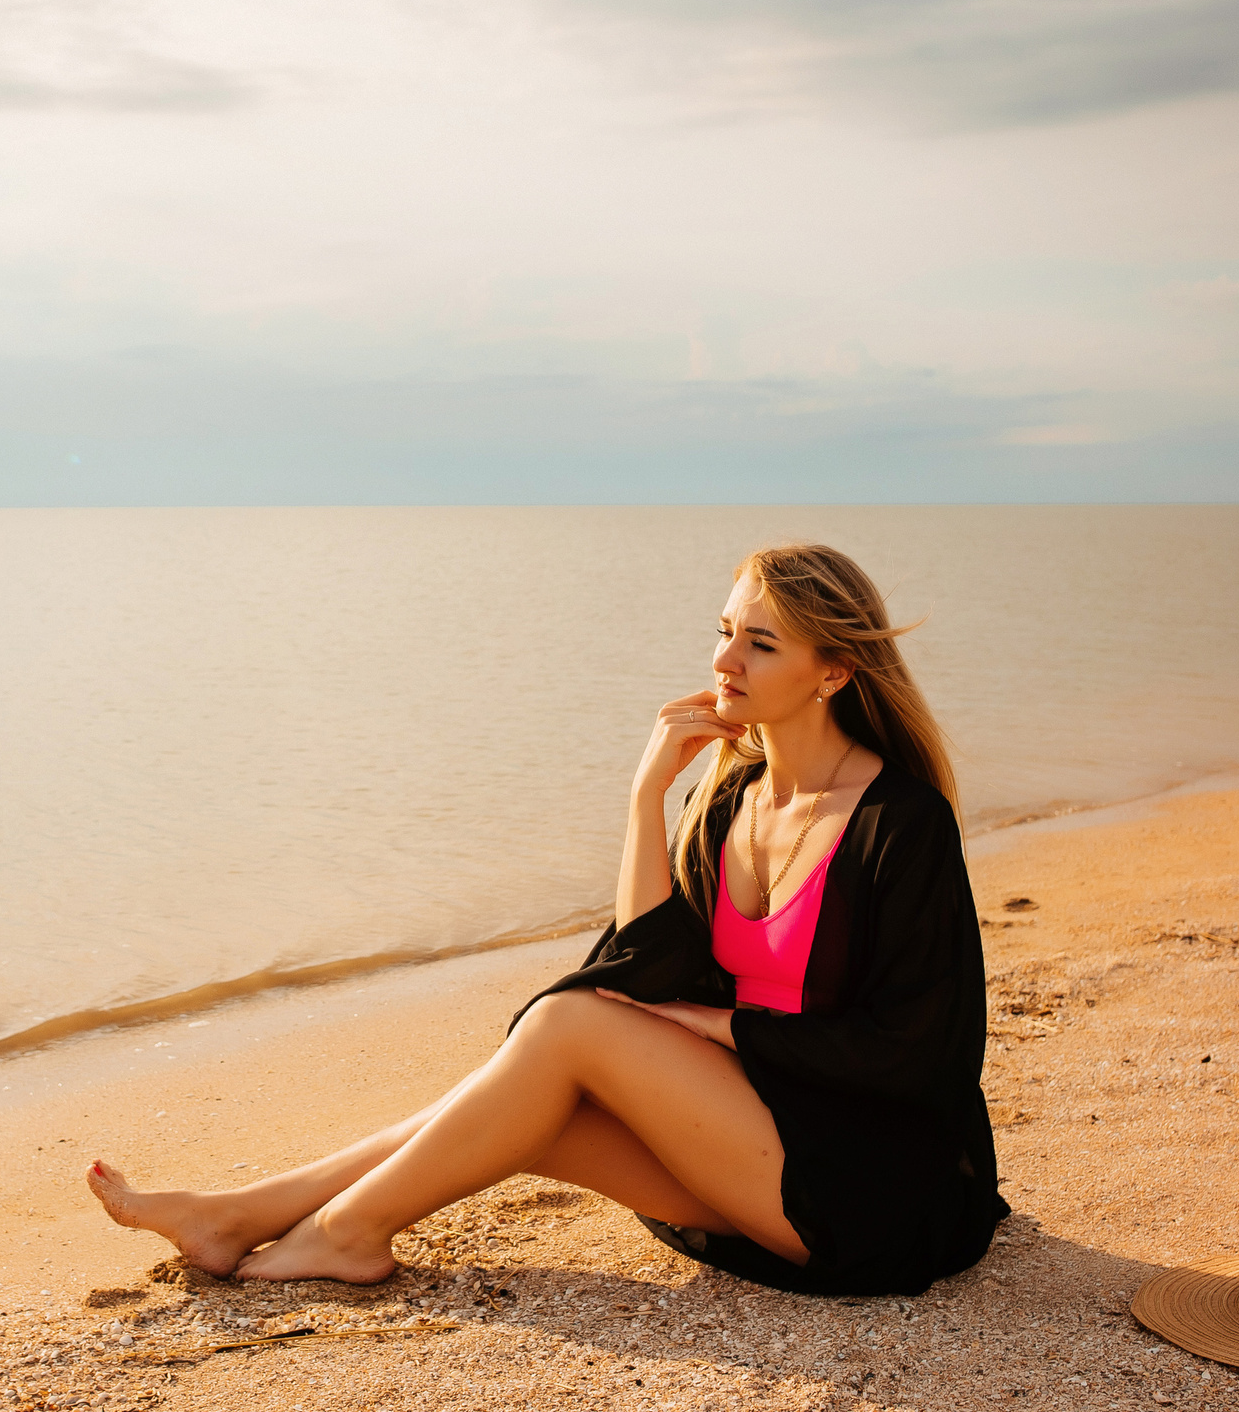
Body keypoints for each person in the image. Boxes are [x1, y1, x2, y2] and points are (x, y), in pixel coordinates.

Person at [87, 543, 1008, 1296]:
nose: (723, 661)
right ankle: (242, 1216)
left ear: (834, 670)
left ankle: (346, 1230)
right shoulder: (732, 800)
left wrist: (722, 1025)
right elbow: (642, 968)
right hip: (759, 1143)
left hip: (871, 1187)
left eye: (760, 645)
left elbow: (923, 1050)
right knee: (525, 1111)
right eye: (724, 633)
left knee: (563, 1027)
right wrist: (647, 792)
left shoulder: (901, 822)